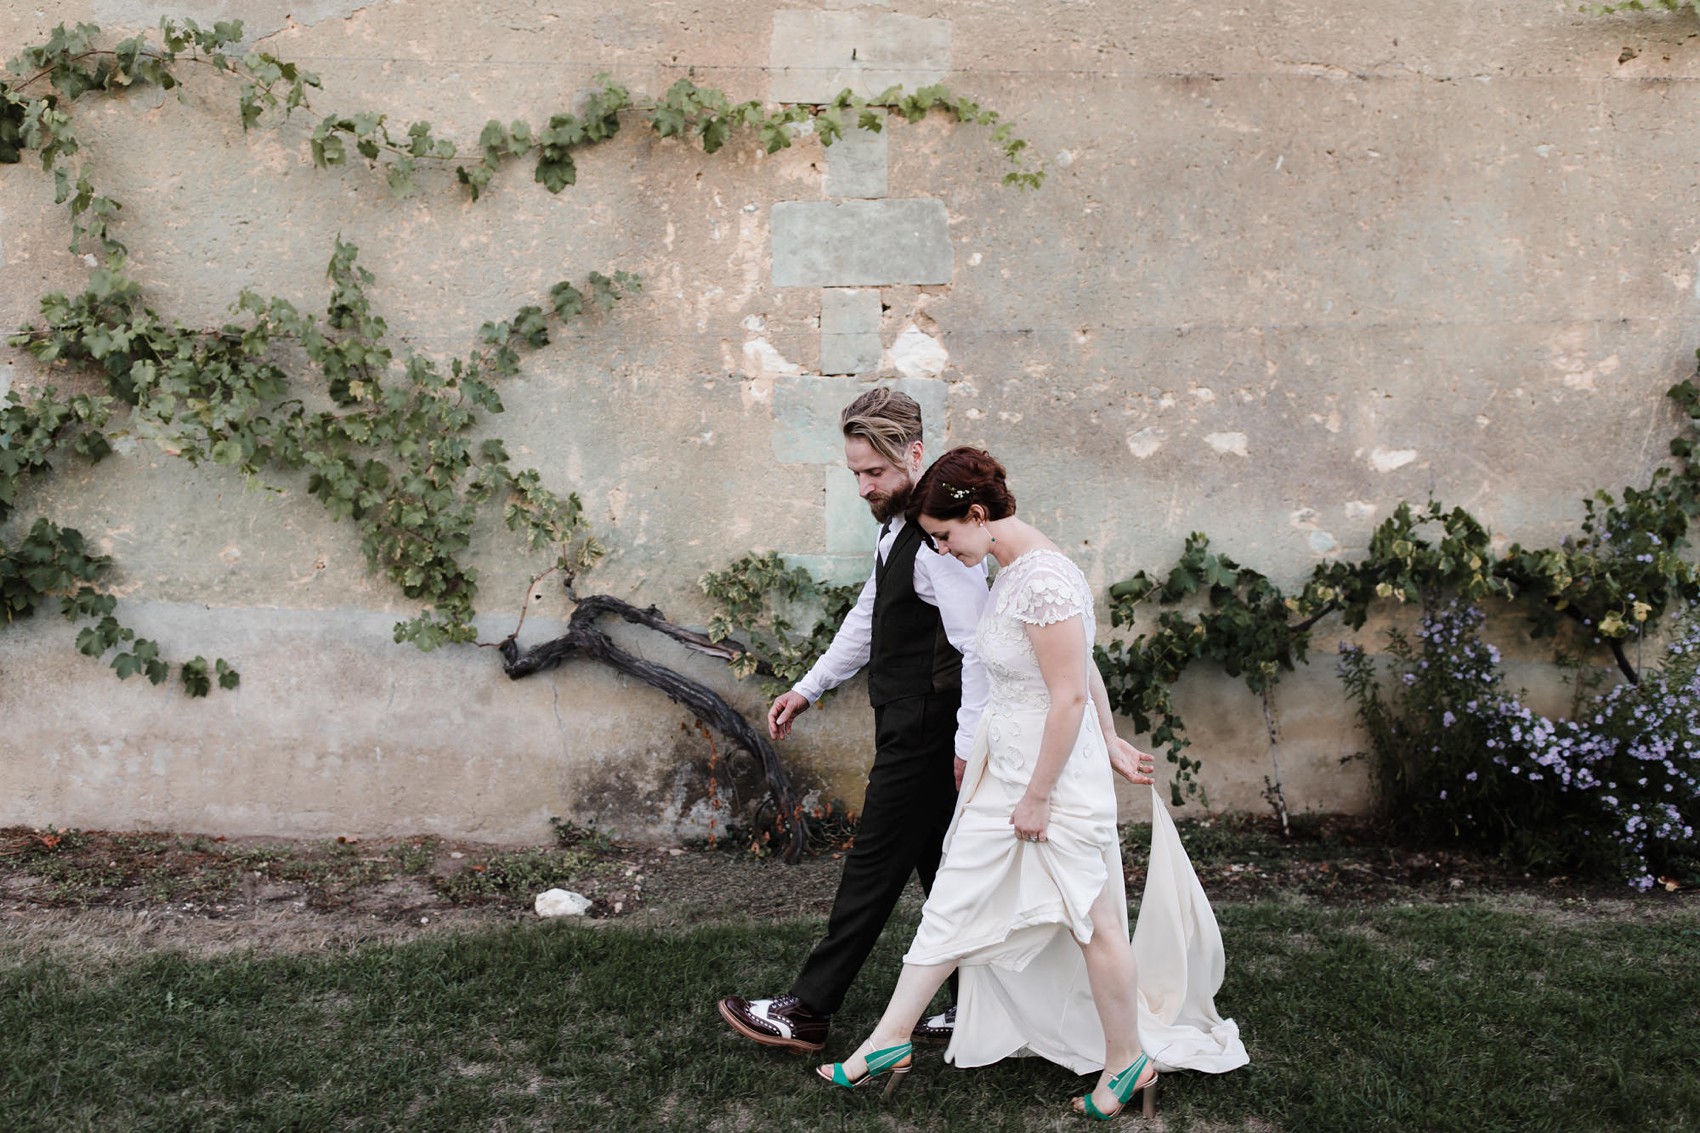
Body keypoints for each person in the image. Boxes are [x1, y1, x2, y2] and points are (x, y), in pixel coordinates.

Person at [813, 446, 1247, 1120]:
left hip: (1051, 778)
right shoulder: (1009, 566)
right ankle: (887, 1040)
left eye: (946, 535)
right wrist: (1106, 739)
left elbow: (1070, 690)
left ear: (978, 514)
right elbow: (1079, 669)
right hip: (1004, 771)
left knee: (1094, 922)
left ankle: (1127, 1057)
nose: (943, 550)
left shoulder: (1043, 577)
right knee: (952, 898)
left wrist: (1047, 787)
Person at [718, 389, 991, 1053]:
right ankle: (982, 1008)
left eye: (876, 471)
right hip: (907, 721)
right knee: (947, 872)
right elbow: (870, 615)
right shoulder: (899, 525)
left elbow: (978, 646)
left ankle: (809, 1008)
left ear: (915, 454)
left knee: (872, 867)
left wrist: (963, 746)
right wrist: (809, 688)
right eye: (855, 473)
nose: (864, 486)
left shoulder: (937, 542)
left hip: (931, 731)